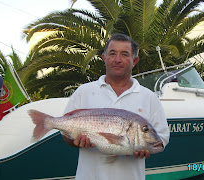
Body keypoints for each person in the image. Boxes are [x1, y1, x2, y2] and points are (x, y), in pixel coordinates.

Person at [63, 33, 170, 180]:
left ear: (134, 61)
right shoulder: (84, 92)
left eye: (125, 54)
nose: (118, 59)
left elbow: (161, 139)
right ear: (104, 58)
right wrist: (76, 141)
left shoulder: (149, 97)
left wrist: (147, 149)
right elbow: (66, 136)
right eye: (112, 53)